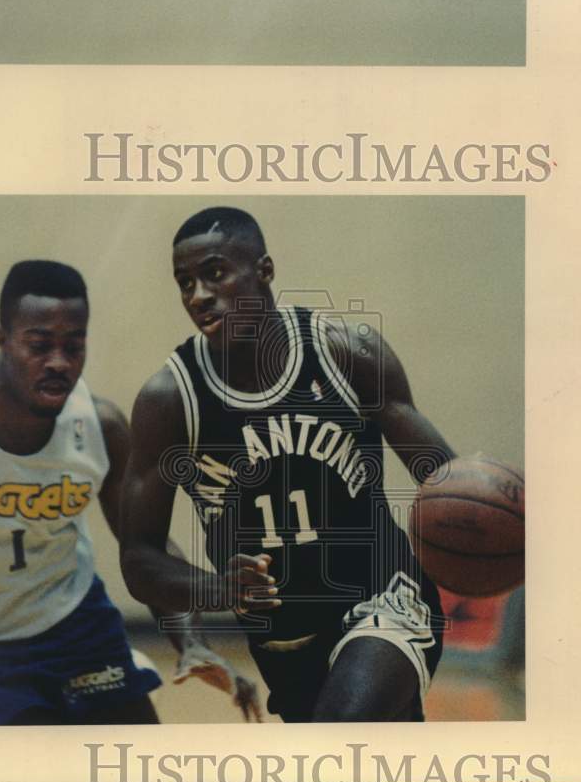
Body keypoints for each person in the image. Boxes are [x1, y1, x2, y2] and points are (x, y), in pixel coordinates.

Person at [119, 208, 456, 722]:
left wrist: (484, 527)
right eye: (185, 282)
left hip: (385, 598)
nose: (198, 295)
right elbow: (139, 557)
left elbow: (445, 483)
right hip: (284, 644)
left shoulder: (347, 354)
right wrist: (218, 589)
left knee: (340, 732)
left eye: (215, 273)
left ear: (265, 270)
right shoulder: (170, 399)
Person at [0, 259, 260, 725]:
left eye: (73, 346)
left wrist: (193, 643)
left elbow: (146, 550)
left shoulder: (101, 426)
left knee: (134, 749)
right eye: (39, 345)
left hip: (73, 625)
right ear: (2, 340)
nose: (59, 362)